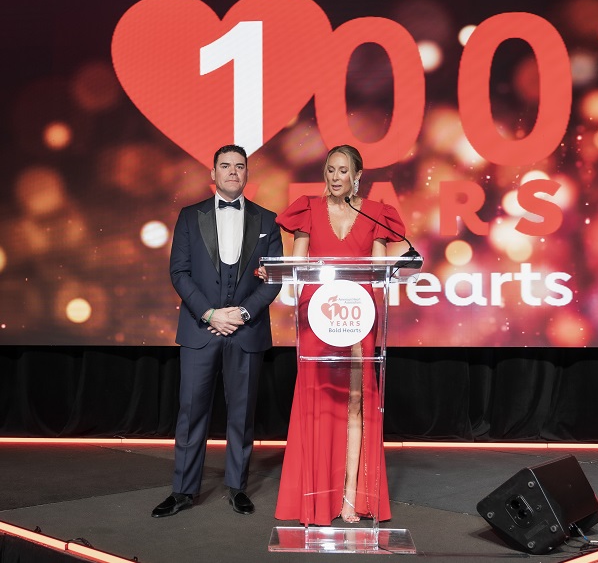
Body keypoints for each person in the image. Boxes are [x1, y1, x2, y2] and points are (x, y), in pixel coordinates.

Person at [267, 144, 407, 526]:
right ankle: (316, 499)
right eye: (330, 169)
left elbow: (379, 268)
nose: (335, 177)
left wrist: (400, 265)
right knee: (319, 406)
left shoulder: (375, 213)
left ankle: (350, 499)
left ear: (357, 175)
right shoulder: (307, 209)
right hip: (317, 319)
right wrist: (274, 271)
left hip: (359, 318)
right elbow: (297, 265)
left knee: (355, 406)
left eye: (343, 170)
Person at [151, 144, 283, 518]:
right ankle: (182, 491)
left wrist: (241, 312)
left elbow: (273, 279)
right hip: (199, 329)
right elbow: (179, 272)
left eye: (239, 166)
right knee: (191, 412)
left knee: (242, 414)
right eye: (225, 166)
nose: (232, 172)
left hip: (246, 330)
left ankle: (237, 487)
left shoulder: (268, 220)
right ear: (213, 174)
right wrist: (210, 314)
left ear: (247, 174)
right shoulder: (190, 216)